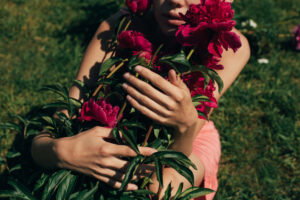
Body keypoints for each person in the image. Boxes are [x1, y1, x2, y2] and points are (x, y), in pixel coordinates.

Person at [30, 0, 250, 199]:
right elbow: (64, 116)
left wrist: (184, 126)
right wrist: (61, 152)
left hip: (189, 134)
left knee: (161, 190)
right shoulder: (121, 24)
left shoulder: (227, 44)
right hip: (116, 118)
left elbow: (178, 151)